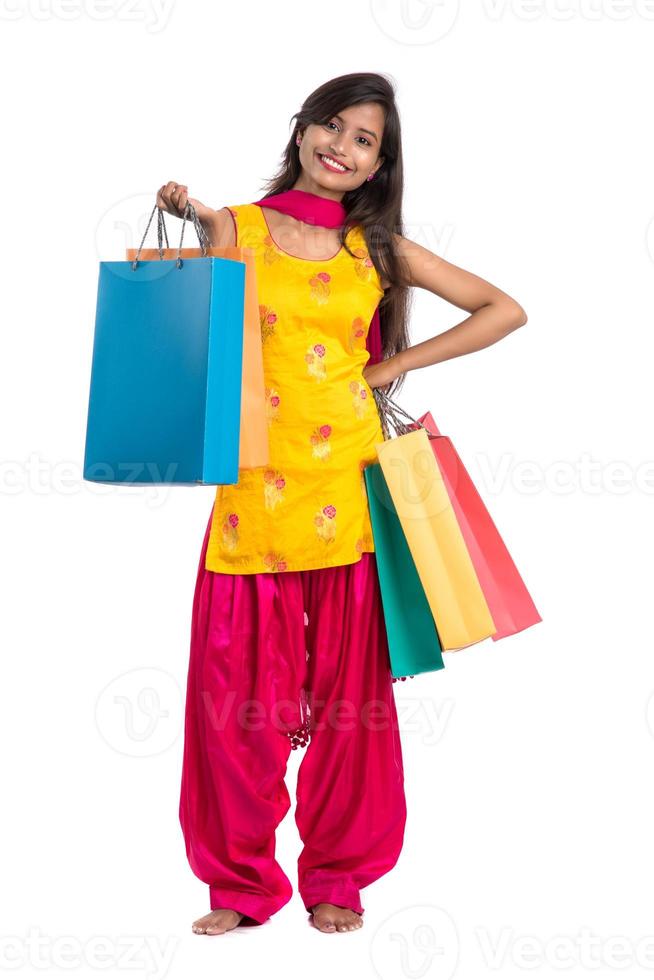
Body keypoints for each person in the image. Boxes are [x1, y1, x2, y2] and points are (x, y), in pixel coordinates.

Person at [157, 71, 527, 937]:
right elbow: (208, 343)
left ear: (377, 166)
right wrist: (201, 230)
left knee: (351, 709)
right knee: (232, 706)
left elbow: (501, 309)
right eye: (334, 126)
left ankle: (338, 878)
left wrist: (394, 365)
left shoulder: (379, 248)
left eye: (366, 141)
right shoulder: (239, 227)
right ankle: (240, 887)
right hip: (253, 502)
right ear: (302, 130)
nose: (344, 146)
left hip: (351, 504)